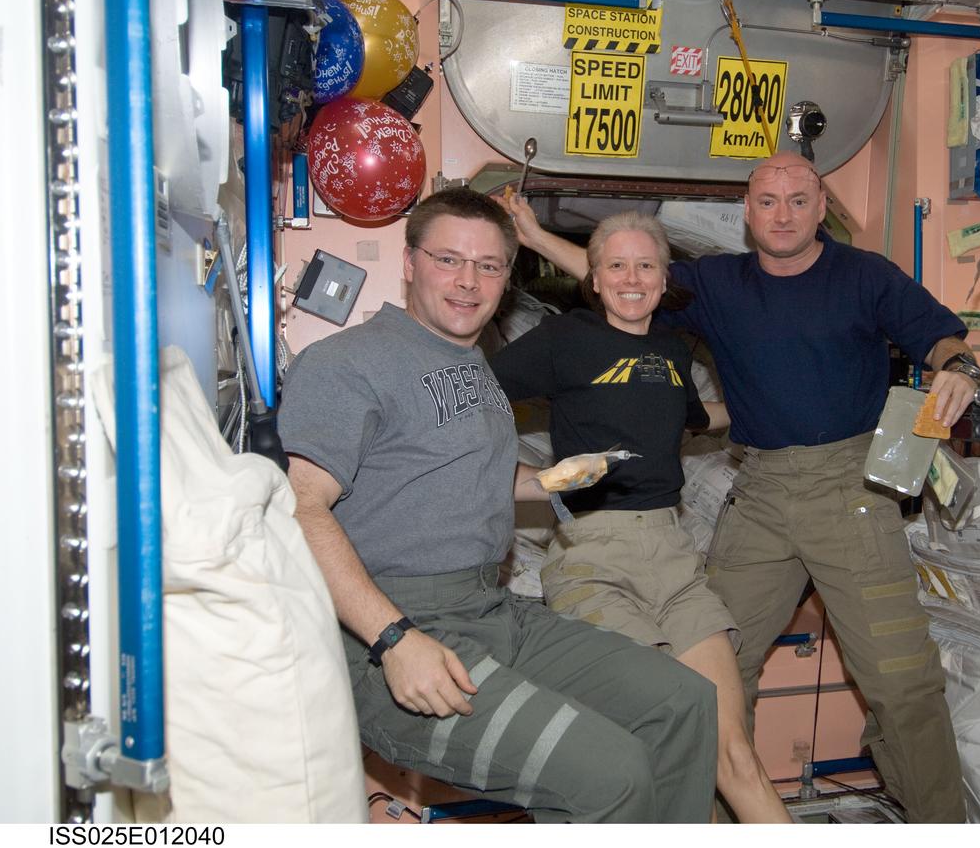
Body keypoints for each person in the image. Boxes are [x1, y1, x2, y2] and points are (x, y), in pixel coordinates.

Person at [505, 152, 977, 822]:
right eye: (766, 201)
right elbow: (627, 282)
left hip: (851, 491)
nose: (782, 214)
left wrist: (959, 366)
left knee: (902, 683)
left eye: (798, 200)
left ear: (820, 208)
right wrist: (535, 237)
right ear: (747, 213)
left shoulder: (866, 276)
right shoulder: (718, 284)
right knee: (718, 674)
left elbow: (941, 338)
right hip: (759, 493)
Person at [278, 187, 718, 823]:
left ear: (507, 278)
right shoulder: (347, 363)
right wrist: (394, 639)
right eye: (448, 259)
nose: (468, 281)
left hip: (491, 608)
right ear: (409, 263)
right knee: (612, 774)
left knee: (685, 700)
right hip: (393, 627)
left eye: (488, 266)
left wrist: (547, 480)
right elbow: (302, 507)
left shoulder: (473, 360)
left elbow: (455, 465)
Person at [489, 211, 792, 823]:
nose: (632, 278)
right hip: (594, 560)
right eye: (616, 266)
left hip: (675, 560)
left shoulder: (669, 351)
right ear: (593, 280)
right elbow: (478, 393)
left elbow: (691, 416)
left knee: (732, 755)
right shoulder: (565, 339)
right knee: (653, 755)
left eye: (646, 265)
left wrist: (766, 404)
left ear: (664, 277)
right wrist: (506, 480)